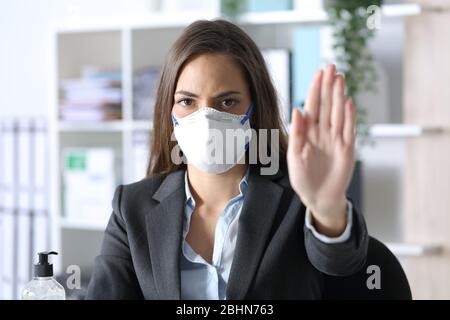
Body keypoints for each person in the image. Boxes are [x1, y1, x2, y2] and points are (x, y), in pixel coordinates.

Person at [86, 19, 368, 300]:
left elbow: (342, 267)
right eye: (187, 101)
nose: (206, 118)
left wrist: (327, 209)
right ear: (168, 110)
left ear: (256, 108)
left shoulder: (300, 201)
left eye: (227, 102)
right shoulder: (132, 208)